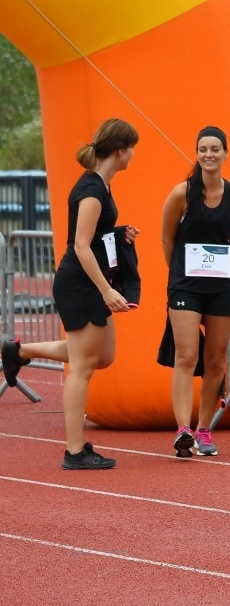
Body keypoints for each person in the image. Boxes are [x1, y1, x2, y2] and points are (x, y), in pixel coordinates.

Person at [3, 119, 139, 470]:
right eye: (132, 148)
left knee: (103, 355)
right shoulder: (92, 190)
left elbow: (94, 236)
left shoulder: (103, 186)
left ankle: (20, 350)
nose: (134, 156)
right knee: (82, 366)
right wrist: (106, 289)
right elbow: (80, 245)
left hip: (87, 281)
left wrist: (120, 233)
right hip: (80, 283)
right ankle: (75, 451)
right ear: (120, 151)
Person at [159, 126, 230, 458]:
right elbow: (167, 238)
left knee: (215, 359)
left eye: (215, 149)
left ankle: (204, 429)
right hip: (185, 286)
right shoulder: (182, 192)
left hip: (221, 285)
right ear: (196, 154)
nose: (209, 155)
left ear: (225, 153)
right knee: (186, 355)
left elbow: (229, 235)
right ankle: (183, 429)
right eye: (202, 149)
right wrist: (180, 271)